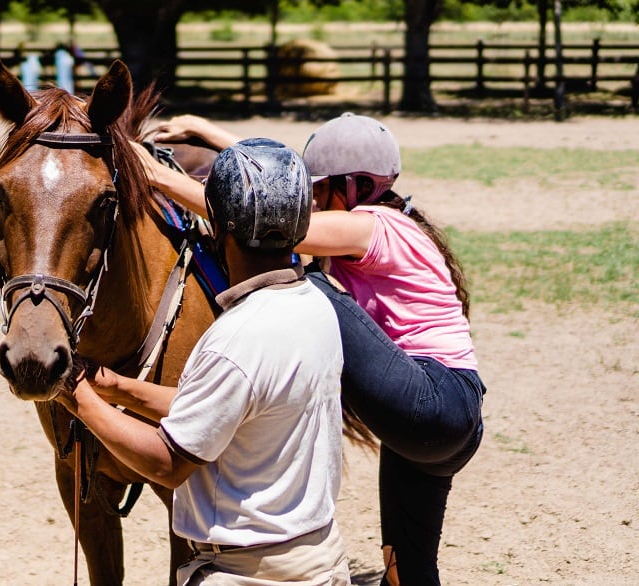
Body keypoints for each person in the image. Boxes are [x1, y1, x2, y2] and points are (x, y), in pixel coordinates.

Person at [133, 113, 486, 586]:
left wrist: (154, 174)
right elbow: (278, 185)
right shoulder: (393, 221)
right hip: (446, 421)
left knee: (303, 281)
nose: (311, 198)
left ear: (356, 186)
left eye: (320, 189)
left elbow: (267, 213)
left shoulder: (372, 226)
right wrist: (207, 131)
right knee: (407, 573)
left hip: (430, 402)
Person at [58, 138, 352, 585]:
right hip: (319, 560)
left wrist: (77, 397)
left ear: (216, 227)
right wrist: (118, 388)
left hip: (248, 573)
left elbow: (166, 464)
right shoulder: (316, 307)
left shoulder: (233, 339)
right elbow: (224, 403)